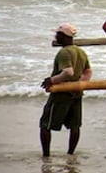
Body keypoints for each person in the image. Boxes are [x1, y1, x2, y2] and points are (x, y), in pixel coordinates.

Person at [40, 23, 92, 157]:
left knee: (46, 124)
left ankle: (46, 156)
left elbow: (68, 72)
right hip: (76, 93)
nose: (55, 36)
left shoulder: (64, 52)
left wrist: (51, 80)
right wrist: (79, 85)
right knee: (74, 125)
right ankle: (70, 154)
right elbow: (88, 72)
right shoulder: (80, 51)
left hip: (61, 94)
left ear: (63, 36)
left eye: (58, 34)